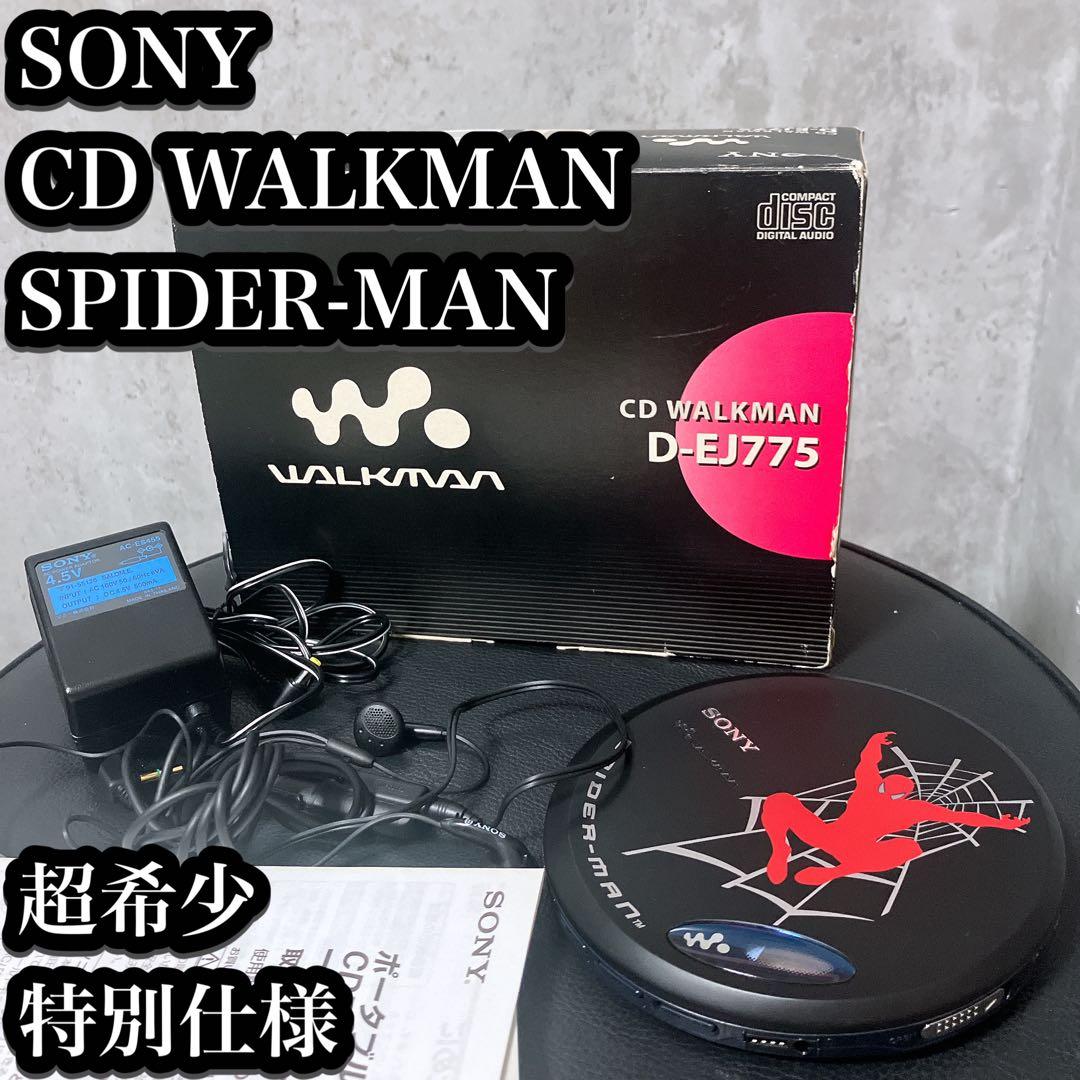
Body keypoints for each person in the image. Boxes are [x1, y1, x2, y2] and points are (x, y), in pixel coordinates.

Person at [761, 731, 1029, 887]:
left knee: (909, 847)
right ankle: (781, 848)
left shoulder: (903, 804)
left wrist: (1000, 823)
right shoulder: (887, 796)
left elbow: (959, 816)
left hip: (843, 845)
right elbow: (868, 762)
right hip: (836, 840)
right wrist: (874, 742)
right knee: (779, 800)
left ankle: (835, 871)